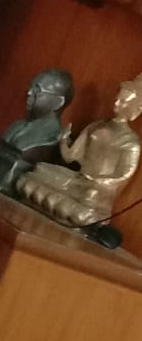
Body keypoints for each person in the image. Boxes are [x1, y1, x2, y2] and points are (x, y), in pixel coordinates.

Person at [17, 73, 142, 227]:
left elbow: (123, 174)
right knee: (40, 168)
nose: (117, 103)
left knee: (90, 195)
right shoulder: (96, 126)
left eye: (124, 101)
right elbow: (70, 156)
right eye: (117, 98)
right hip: (76, 179)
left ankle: (71, 209)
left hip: (93, 190)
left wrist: (99, 180)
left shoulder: (130, 142)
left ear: (137, 110)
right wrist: (64, 140)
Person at [0, 68, 74, 195]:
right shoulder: (17, 125)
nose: (29, 93)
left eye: (37, 90)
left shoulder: (53, 137)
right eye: (30, 87)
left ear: (58, 102)